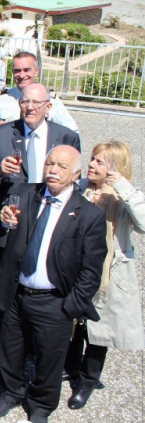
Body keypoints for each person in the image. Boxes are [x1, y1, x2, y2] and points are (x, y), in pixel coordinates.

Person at [0, 146, 106, 423]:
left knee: (50, 358)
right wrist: (1, 221)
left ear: (76, 174)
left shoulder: (88, 215)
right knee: (11, 347)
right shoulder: (25, 193)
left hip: (55, 301)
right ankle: (12, 391)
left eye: (62, 166)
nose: (53, 170)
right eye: (50, 163)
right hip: (17, 293)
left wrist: (70, 307)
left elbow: (91, 270)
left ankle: (41, 403)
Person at [63, 141, 145, 410]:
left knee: (99, 332)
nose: (91, 164)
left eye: (100, 162)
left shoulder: (123, 198)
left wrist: (122, 185)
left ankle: (87, 381)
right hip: (78, 268)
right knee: (76, 323)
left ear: (116, 168)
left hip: (107, 273)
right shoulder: (82, 187)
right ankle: (70, 366)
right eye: (93, 159)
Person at [0, 51, 78, 132]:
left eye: (27, 70)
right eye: (17, 71)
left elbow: (72, 132)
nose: (22, 75)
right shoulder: (0, 100)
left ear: (36, 72)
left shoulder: (50, 100)